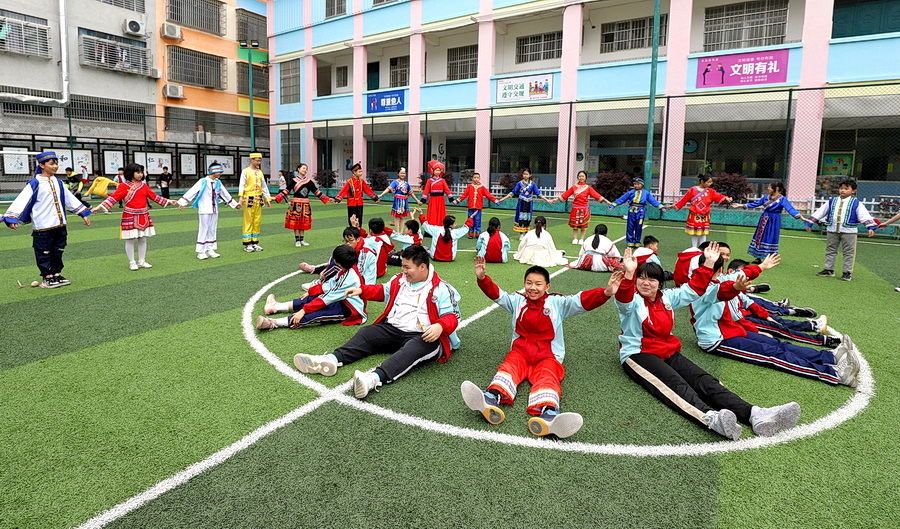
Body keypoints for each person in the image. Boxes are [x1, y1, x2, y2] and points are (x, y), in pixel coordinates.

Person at [613, 244, 801, 440]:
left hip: (666, 350)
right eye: (641, 278)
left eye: (652, 279)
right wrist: (629, 273)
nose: (646, 283)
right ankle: (709, 418)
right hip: (638, 354)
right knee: (675, 384)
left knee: (704, 380)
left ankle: (755, 414)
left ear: (660, 283)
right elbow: (623, 296)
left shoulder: (667, 298)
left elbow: (694, 289)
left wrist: (709, 263)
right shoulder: (631, 302)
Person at [461, 257, 623, 438]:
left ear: (547, 287)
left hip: (548, 356)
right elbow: (498, 295)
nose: (533, 287)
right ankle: (491, 397)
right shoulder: (517, 301)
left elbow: (581, 301)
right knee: (509, 366)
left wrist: (606, 293)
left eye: (538, 284)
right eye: (529, 283)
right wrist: (483, 279)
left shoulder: (557, 303)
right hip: (520, 353)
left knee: (548, 376)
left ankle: (549, 414)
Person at [292, 244, 462, 400]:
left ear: (422, 267)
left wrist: (440, 326)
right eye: (402, 266)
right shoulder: (399, 280)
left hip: (424, 336)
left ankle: (372, 379)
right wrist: (361, 290)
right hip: (393, 328)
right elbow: (383, 291)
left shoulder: (442, 288)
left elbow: (452, 316)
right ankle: (330, 360)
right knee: (366, 333)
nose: (403, 270)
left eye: (407, 267)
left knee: (411, 350)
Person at [690, 253, 860, 387]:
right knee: (773, 355)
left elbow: (738, 278)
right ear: (719, 269)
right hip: (717, 340)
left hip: (733, 331)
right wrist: (736, 287)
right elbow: (721, 291)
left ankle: (830, 357)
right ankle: (834, 375)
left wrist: (761, 266)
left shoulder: (719, 280)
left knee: (778, 344)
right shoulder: (702, 289)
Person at [2, 151, 92, 288]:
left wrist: (82, 213)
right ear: (42, 165)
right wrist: (11, 218)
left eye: (56, 163)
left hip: (60, 224)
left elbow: (69, 199)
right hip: (42, 226)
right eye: (51, 164)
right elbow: (21, 200)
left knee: (58, 250)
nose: (55, 166)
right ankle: (47, 276)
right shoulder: (35, 183)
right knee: (43, 251)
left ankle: (57, 274)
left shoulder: (59, 182)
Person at [256, 245, 366, 331]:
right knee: (312, 297)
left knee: (317, 314)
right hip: (341, 300)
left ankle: (273, 322)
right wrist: (311, 291)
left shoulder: (349, 278)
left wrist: (303, 310)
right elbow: (330, 284)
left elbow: (327, 299)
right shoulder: (347, 270)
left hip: (350, 310)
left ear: (338, 262)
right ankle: (276, 306)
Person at [92, 163, 177, 270]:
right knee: (130, 239)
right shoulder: (123, 186)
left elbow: (154, 196)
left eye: (141, 172)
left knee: (143, 239)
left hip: (143, 214)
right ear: (130, 173)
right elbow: (113, 198)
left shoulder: (144, 186)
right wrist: (99, 207)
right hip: (129, 215)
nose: (140, 174)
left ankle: (142, 261)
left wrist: (169, 201)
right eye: (138, 172)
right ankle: (132, 262)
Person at [805, 178, 877, 281]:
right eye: (841, 188)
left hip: (849, 231)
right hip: (832, 229)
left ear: (853, 191)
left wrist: (870, 227)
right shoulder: (832, 201)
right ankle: (828, 269)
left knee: (849, 252)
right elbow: (821, 212)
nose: (842, 190)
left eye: (846, 188)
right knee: (830, 250)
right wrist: (810, 222)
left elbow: (864, 216)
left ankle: (847, 272)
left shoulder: (856, 203)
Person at [176, 162, 241, 260]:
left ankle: (210, 249)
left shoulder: (218, 182)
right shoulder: (203, 181)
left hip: (215, 209)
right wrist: (182, 202)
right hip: (204, 209)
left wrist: (234, 204)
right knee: (204, 229)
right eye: (219, 172)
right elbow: (193, 191)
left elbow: (225, 194)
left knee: (212, 228)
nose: (220, 174)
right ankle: (201, 251)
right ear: (213, 171)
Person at [731, 181, 807, 263]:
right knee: (760, 236)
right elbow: (756, 203)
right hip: (764, 219)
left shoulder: (782, 199)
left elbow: (790, 209)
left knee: (771, 236)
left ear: (777, 188)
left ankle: (770, 258)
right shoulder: (765, 197)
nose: (768, 188)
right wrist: (741, 205)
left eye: (770, 187)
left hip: (774, 220)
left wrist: (800, 216)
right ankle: (758, 257)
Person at [275, 162, 331, 247]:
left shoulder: (309, 182)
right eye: (303, 168)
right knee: (296, 222)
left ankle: (302, 239)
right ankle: (297, 240)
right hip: (296, 204)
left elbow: (316, 192)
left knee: (303, 222)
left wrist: (327, 198)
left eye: (306, 169)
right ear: (298, 169)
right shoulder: (294, 181)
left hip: (305, 204)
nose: (305, 170)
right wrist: (277, 198)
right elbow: (286, 190)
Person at [673, 174, 733, 248]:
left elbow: (718, 196)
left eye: (711, 182)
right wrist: (674, 205)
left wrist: (726, 198)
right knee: (694, 233)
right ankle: (694, 248)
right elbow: (684, 199)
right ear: (702, 181)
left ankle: (703, 248)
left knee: (703, 233)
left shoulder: (711, 191)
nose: (710, 184)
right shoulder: (692, 190)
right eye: (708, 182)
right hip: (694, 214)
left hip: (705, 215)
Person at [556, 170, 612, 244]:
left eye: (583, 176)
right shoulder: (574, 187)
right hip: (575, 208)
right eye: (580, 176)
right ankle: (575, 238)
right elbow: (565, 195)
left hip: (584, 208)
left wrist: (607, 201)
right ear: (577, 177)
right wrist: (555, 199)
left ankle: (582, 239)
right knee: (575, 225)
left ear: (585, 178)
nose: (581, 178)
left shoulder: (588, 188)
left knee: (583, 225)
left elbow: (596, 195)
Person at [610, 177, 667, 248]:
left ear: (642, 185)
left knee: (639, 226)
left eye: (638, 184)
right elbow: (622, 199)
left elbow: (653, 201)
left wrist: (661, 207)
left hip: (641, 211)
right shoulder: (631, 192)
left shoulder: (646, 193)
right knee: (630, 226)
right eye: (635, 184)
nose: (636, 186)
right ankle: (630, 241)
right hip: (631, 210)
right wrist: (613, 205)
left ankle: (637, 241)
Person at [496, 168, 553, 235]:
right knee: (521, 217)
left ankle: (526, 233)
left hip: (529, 203)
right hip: (521, 202)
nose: (525, 176)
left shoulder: (532, 184)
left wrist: (547, 200)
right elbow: (513, 192)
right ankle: (521, 234)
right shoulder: (520, 183)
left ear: (530, 175)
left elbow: (538, 193)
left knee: (528, 218)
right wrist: (504, 198)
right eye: (524, 174)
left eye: (527, 174)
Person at [238, 153, 272, 252]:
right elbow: (242, 185)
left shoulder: (260, 172)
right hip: (249, 198)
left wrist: (267, 199)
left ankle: (255, 242)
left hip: (259, 198)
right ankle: (247, 243)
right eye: (257, 160)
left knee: (257, 221)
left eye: (260, 160)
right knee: (248, 220)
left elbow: (264, 186)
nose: (258, 162)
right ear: (251, 160)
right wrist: (240, 199)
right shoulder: (246, 171)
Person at [452, 171, 498, 238]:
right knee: (470, 220)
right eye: (475, 177)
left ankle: (477, 233)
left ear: (479, 178)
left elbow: (489, 195)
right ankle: (470, 233)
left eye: (477, 178)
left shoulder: (482, 187)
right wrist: (458, 200)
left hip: (478, 207)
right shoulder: (469, 187)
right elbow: (464, 195)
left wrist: (495, 200)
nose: (476, 179)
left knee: (477, 220)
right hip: (471, 207)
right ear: (472, 178)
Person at [334, 162, 379, 226]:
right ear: (354, 172)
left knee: (359, 219)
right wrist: (338, 199)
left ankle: (359, 231)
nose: (361, 173)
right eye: (359, 172)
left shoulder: (362, 181)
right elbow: (344, 191)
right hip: (351, 203)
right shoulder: (349, 182)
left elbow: (368, 190)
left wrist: (375, 198)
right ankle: (353, 232)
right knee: (352, 218)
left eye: (361, 172)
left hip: (360, 203)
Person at [377, 167, 421, 233]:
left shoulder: (406, 184)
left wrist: (417, 200)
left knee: (402, 217)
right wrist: (381, 195)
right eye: (401, 173)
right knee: (397, 217)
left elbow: (411, 193)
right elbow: (388, 189)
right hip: (397, 201)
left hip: (404, 201)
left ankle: (401, 232)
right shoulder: (395, 182)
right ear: (398, 174)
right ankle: (397, 232)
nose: (403, 174)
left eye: (404, 173)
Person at [422, 160, 453, 227]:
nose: (437, 172)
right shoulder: (429, 180)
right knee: (432, 213)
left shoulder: (442, 180)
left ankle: (440, 226)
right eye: (436, 170)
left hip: (440, 199)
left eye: (439, 170)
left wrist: (451, 199)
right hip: (432, 199)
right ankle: (431, 227)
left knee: (440, 213)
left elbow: (447, 190)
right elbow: (426, 191)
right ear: (432, 171)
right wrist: (423, 200)